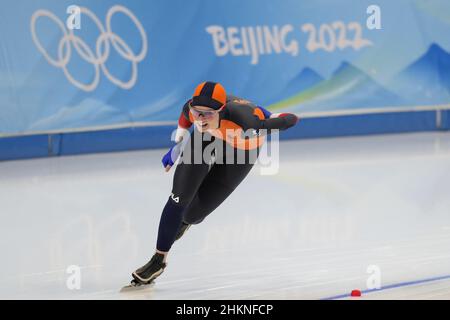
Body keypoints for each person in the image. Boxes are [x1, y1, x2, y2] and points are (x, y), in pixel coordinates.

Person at [130, 81, 299, 286]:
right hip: (207, 138)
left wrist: (283, 117)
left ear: (221, 110)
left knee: (192, 214)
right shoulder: (193, 112)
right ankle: (158, 260)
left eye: (208, 114)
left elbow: (286, 121)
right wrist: (177, 147)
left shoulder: (247, 123)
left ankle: (185, 222)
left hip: (242, 148)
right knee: (178, 199)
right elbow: (186, 119)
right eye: (197, 112)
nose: (200, 119)